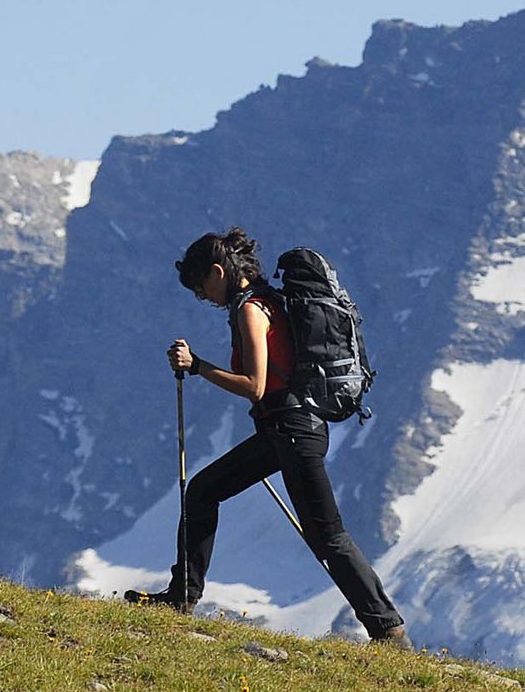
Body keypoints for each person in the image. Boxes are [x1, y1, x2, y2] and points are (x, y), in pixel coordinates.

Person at [125, 227, 411, 648]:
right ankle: (181, 597)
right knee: (204, 490)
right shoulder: (270, 302)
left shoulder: (251, 310)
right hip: (287, 432)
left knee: (326, 534)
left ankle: (388, 629)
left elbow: (255, 385)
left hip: (293, 432)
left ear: (219, 271)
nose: (204, 297)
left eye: (202, 287)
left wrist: (197, 365)